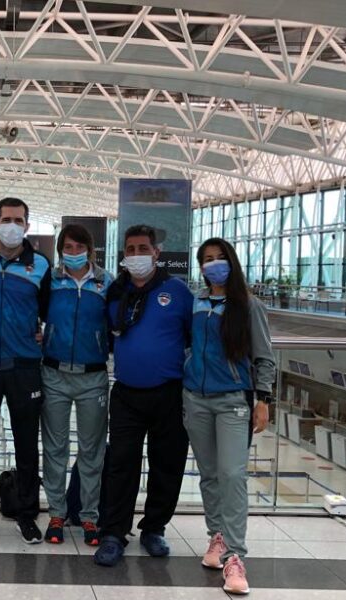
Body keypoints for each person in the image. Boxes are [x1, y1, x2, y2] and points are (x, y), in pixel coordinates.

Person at [94, 224, 194, 566]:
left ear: (156, 253)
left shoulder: (177, 291)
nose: (136, 255)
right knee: (120, 464)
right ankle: (113, 533)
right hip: (126, 394)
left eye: (142, 248)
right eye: (130, 249)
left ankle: (155, 528)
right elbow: (106, 335)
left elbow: (195, 338)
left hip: (169, 393)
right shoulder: (116, 292)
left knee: (167, 464)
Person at [183, 237, 275, 596]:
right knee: (208, 475)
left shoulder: (248, 306)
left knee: (232, 475)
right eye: (207, 259)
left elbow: (264, 355)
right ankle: (216, 538)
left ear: (231, 262)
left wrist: (263, 399)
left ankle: (236, 556)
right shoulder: (197, 302)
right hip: (195, 399)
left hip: (233, 401)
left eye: (220, 258)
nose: (214, 264)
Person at [0, 197, 51, 544]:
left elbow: (49, 309)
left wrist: (44, 333)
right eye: (6, 219)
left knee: (27, 444)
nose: (11, 225)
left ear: (27, 226)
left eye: (18, 220)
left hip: (24, 368)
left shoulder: (41, 265)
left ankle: (27, 515)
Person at [40, 224, 113, 546]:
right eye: (66, 248)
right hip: (54, 375)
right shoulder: (51, 280)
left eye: (77, 247)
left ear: (90, 249)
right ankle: (57, 513)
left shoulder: (107, 282)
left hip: (93, 377)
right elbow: (34, 313)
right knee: (55, 449)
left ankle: (89, 517)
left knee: (91, 451)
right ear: (60, 251)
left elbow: (118, 322)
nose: (72, 253)